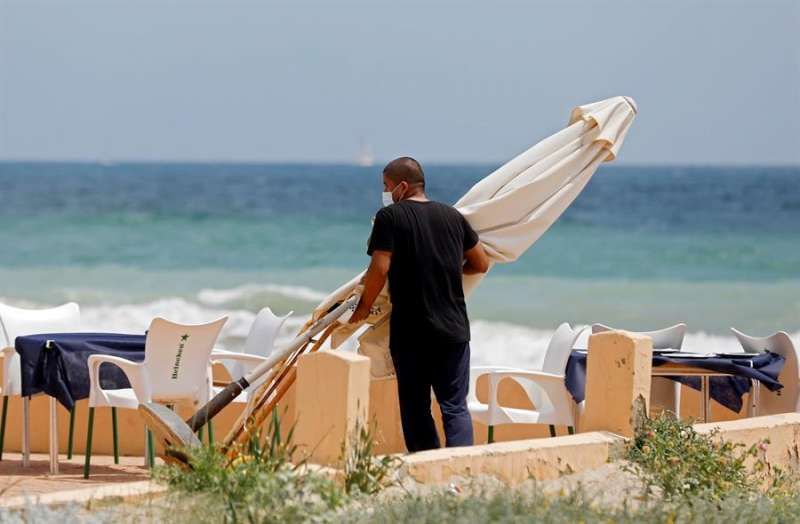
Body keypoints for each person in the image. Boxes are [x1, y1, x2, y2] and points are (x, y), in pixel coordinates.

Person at [349, 156, 490, 452]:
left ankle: (426, 467)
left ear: (401, 186)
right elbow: (481, 263)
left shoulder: (390, 218)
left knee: (415, 408)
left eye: (387, 186)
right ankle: (462, 468)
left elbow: (380, 268)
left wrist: (363, 309)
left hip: (412, 331)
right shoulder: (453, 217)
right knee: (454, 406)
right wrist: (448, 270)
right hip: (453, 329)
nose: (386, 193)